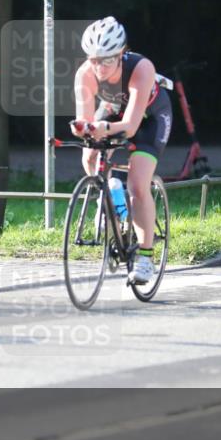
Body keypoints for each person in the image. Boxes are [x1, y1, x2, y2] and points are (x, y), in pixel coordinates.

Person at [71, 16, 172, 285]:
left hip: (149, 117)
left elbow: (130, 126)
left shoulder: (141, 67)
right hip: (114, 112)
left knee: (138, 185)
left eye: (106, 60)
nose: (99, 66)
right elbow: (86, 121)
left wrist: (102, 127)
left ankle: (146, 257)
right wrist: (83, 129)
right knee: (90, 153)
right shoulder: (85, 73)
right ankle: (108, 195)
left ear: (121, 54)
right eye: (93, 59)